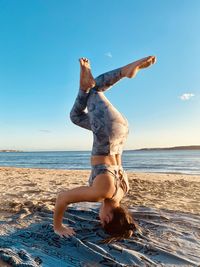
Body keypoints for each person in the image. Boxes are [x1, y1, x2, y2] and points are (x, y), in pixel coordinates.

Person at [53, 55, 156, 243]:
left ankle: (83, 87)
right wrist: (58, 226)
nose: (98, 218)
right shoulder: (102, 192)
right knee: (94, 89)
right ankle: (125, 71)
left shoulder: (122, 191)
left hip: (119, 131)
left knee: (75, 116)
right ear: (107, 218)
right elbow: (62, 198)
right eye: (102, 221)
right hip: (108, 130)